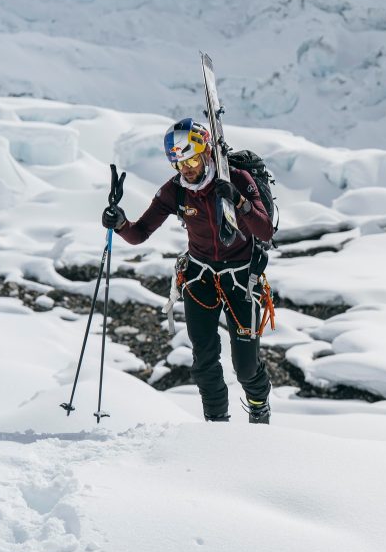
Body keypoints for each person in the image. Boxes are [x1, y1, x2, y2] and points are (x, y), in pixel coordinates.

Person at [102, 118, 274, 423]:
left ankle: (259, 409)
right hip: (199, 277)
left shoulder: (237, 178)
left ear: (206, 151)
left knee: (246, 367)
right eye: (179, 164)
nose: (187, 169)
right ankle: (216, 427)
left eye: (192, 160)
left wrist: (238, 201)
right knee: (204, 362)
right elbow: (139, 233)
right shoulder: (175, 191)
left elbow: (265, 231)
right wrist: (120, 224)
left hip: (242, 279)